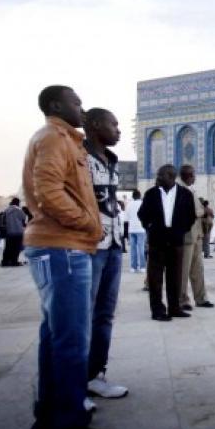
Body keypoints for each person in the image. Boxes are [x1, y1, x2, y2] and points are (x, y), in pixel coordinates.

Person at [22, 85, 112, 429]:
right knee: (72, 340)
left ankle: (49, 421)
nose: (82, 107)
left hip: (58, 247)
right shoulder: (55, 138)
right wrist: (88, 224)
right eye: (76, 102)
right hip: (63, 249)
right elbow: (48, 191)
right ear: (57, 105)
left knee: (56, 337)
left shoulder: (60, 139)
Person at [83, 108, 129, 401]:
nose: (119, 130)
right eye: (114, 124)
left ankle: (95, 375)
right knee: (83, 315)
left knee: (104, 314)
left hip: (112, 246)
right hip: (90, 246)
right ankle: (76, 382)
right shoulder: (78, 157)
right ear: (97, 126)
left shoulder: (111, 161)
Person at [137, 164, 196, 321]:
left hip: (176, 242)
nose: (157, 178)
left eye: (160, 176)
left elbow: (191, 216)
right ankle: (157, 310)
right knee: (155, 278)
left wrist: (180, 230)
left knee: (175, 276)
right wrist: (150, 227)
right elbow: (142, 214)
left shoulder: (185, 194)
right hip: (157, 241)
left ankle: (174, 308)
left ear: (170, 176)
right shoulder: (151, 194)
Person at [178, 165, 212, 310]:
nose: (195, 178)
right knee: (184, 270)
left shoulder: (190, 189)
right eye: (193, 175)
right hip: (186, 236)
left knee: (198, 269)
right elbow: (191, 210)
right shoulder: (180, 189)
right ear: (188, 175)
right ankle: (182, 299)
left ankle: (201, 298)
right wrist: (205, 211)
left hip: (196, 234)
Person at [1, 198, 27, 267]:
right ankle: (14, 261)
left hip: (9, 232)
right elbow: (24, 218)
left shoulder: (6, 210)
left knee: (8, 247)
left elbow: (3, 221)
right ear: (18, 203)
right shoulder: (19, 210)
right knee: (16, 248)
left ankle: (5, 261)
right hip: (18, 232)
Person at [125, 190, 146, 272]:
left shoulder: (129, 204)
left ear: (132, 196)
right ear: (140, 196)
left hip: (132, 229)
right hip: (141, 229)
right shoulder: (142, 203)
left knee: (133, 249)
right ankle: (142, 267)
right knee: (141, 248)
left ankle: (133, 267)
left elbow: (126, 218)